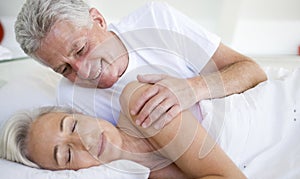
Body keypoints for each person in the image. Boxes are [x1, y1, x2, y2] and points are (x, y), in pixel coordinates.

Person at [14, 0, 267, 129]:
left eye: (81, 49)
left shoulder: (156, 19)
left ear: (98, 20)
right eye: (64, 69)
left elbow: (252, 70)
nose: (82, 71)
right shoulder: (71, 98)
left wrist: (193, 88)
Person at [0, 80, 256, 179]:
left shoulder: (139, 104)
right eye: (66, 155)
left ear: (80, 113)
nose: (82, 141)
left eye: (73, 125)